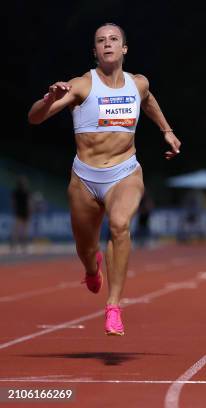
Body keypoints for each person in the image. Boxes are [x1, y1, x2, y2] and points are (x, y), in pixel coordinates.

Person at [28, 23, 181, 336]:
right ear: (95, 51)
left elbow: (148, 99)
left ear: (124, 48)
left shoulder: (138, 84)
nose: (107, 44)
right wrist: (48, 99)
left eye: (114, 40)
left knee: (120, 225)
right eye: (101, 41)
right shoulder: (82, 85)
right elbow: (34, 118)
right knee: (85, 248)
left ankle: (114, 306)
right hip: (85, 177)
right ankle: (90, 267)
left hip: (125, 171)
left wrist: (167, 130)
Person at [10, 176, 32, 253]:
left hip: (19, 211)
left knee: (16, 230)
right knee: (24, 231)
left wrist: (15, 209)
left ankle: (14, 246)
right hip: (24, 212)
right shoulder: (27, 192)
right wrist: (30, 211)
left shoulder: (15, 192)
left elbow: (13, 203)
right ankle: (24, 247)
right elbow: (29, 203)